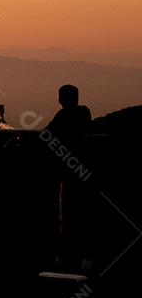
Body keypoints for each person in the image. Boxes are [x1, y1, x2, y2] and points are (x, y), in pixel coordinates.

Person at [45, 84, 93, 271]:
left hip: (69, 173)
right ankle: (85, 256)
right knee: (84, 214)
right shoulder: (84, 113)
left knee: (67, 214)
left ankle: (65, 257)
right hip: (84, 171)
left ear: (61, 99)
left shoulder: (62, 116)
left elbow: (47, 135)